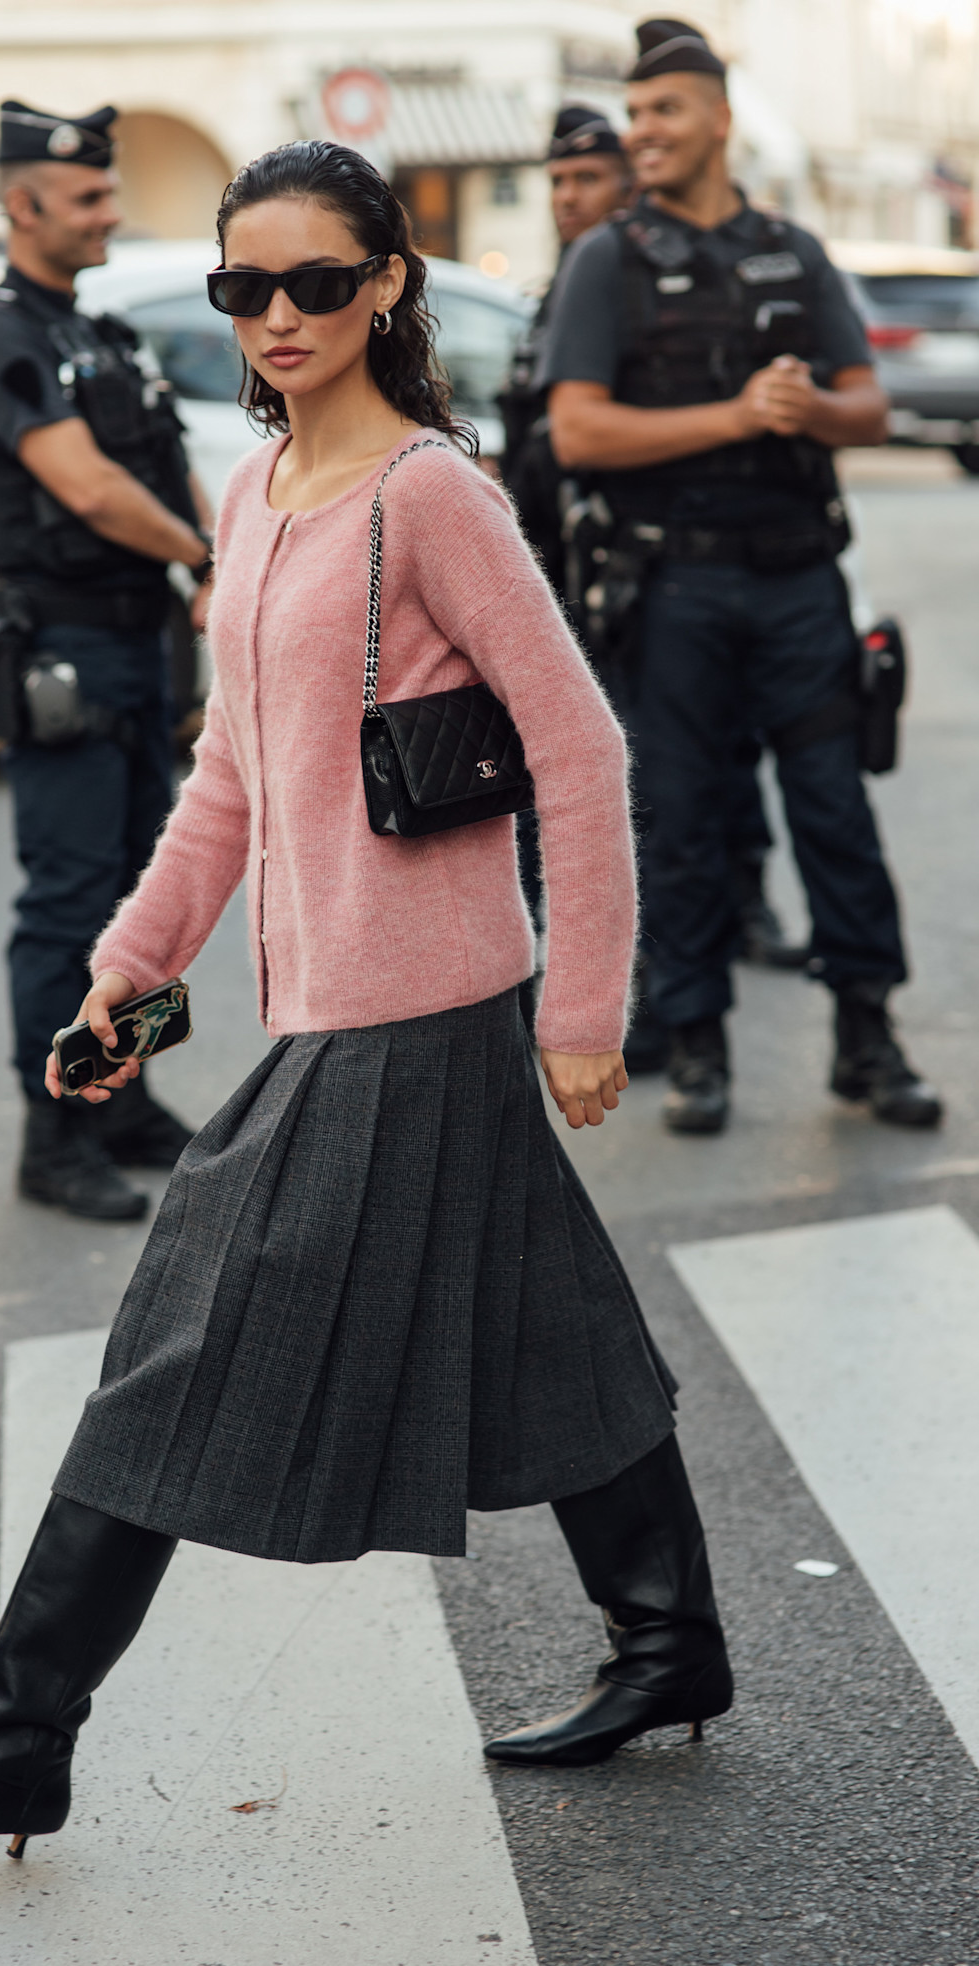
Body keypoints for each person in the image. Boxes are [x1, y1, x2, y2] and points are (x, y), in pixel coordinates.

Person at [0, 139, 732, 1860]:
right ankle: (673, 1644)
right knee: (551, 1332)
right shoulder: (258, 491)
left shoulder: (432, 497)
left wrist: (587, 1007)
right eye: (246, 287)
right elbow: (230, 778)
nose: (280, 316)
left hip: (422, 1011)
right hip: (327, 1008)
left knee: (177, 1348)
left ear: (387, 282)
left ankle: (16, 1739)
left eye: (317, 281)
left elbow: (580, 746)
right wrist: (129, 982)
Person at [541, 18, 942, 1135]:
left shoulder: (793, 249)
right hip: (675, 590)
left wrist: (814, 409)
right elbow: (576, 431)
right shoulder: (607, 260)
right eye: (636, 115)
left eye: (664, 111)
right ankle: (700, 1043)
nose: (645, 133)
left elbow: (871, 405)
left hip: (797, 580)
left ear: (719, 115)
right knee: (681, 819)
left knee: (834, 809)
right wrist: (735, 414)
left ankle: (868, 1034)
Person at [0, 100, 216, 1220]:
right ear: (23, 203)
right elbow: (93, 489)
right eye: (90, 196)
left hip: (138, 645)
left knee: (140, 898)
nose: (111, 211)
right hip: (61, 649)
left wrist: (209, 565)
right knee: (68, 902)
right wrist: (206, 556)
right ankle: (53, 1133)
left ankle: (123, 1095)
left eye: (109, 191)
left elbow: (167, 463)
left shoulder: (106, 335)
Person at [500, 101, 801, 1064]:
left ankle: (672, 997)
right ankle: (627, 985)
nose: (566, 198)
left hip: (636, 580)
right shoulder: (558, 301)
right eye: (554, 182)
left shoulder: (637, 296)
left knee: (667, 795)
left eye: (585, 179)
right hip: (553, 584)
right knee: (590, 802)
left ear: (628, 187)